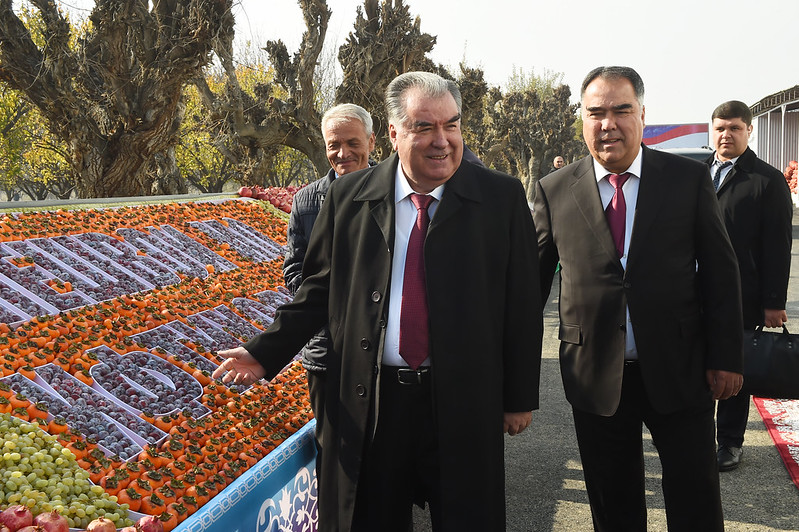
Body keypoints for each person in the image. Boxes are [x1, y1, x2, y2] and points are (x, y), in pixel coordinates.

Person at [213, 71, 543, 532]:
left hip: (463, 403)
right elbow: (319, 288)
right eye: (424, 127)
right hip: (372, 404)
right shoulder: (348, 197)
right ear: (393, 133)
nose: (442, 140)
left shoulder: (499, 197)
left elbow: (522, 302)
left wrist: (519, 396)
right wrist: (264, 351)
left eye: (451, 125)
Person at [533, 66, 744, 531]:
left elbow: (720, 272)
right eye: (596, 113)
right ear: (583, 120)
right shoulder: (554, 189)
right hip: (594, 373)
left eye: (621, 110)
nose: (608, 124)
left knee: (694, 495)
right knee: (614, 503)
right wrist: (514, 379)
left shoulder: (686, 180)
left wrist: (726, 357)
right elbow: (532, 286)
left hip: (680, 366)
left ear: (643, 115)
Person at [282, 102, 376, 504]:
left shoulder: (394, 192)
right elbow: (294, 270)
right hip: (327, 351)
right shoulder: (307, 201)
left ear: (372, 141)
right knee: (335, 454)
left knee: (385, 458)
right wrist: (336, 308)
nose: (343, 153)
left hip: (382, 352)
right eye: (334, 145)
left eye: (353, 143)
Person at [706, 100, 793, 472]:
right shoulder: (694, 174)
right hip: (691, 291)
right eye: (720, 128)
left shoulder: (766, 179)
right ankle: (694, 437)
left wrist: (773, 301)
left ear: (749, 130)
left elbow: (778, 245)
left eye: (735, 128)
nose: (726, 135)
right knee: (690, 363)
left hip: (741, 293)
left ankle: (729, 442)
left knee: (733, 365)